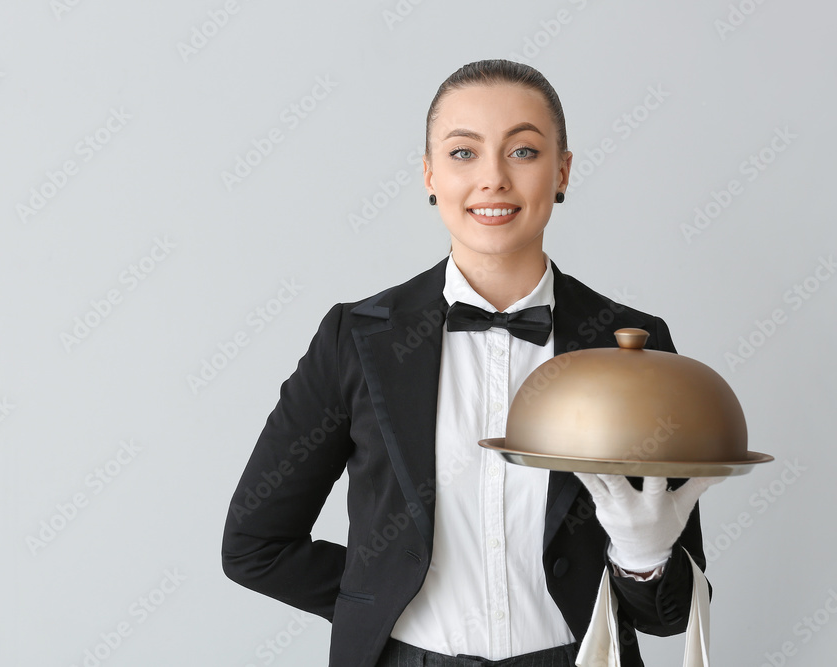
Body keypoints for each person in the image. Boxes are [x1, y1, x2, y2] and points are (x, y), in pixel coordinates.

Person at [222, 59, 720, 667]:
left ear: (562, 171)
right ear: (429, 174)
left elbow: (667, 618)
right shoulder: (354, 339)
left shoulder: (631, 343)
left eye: (523, 152)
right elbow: (254, 545)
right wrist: (377, 598)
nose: (493, 180)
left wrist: (646, 561)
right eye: (463, 153)